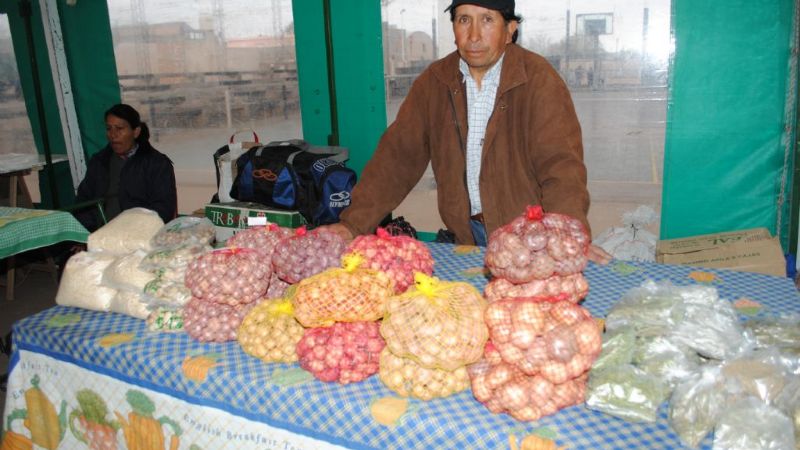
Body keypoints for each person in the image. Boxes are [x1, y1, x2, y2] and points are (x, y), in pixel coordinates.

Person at [323, 0, 610, 264]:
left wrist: (567, 236)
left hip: (531, 243)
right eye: (463, 20)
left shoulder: (538, 79)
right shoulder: (435, 82)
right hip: (466, 238)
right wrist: (353, 224)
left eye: (486, 20)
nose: (473, 35)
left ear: (510, 29)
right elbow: (397, 158)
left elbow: (561, 167)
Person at [74, 104, 177, 231]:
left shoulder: (156, 164)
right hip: (100, 234)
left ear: (136, 132)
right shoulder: (99, 161)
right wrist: (84, 234)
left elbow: (163, 209)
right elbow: (84, 203)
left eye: (119, 128)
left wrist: (132, 230)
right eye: (109, 128)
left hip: (138, 234)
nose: (113, 135)